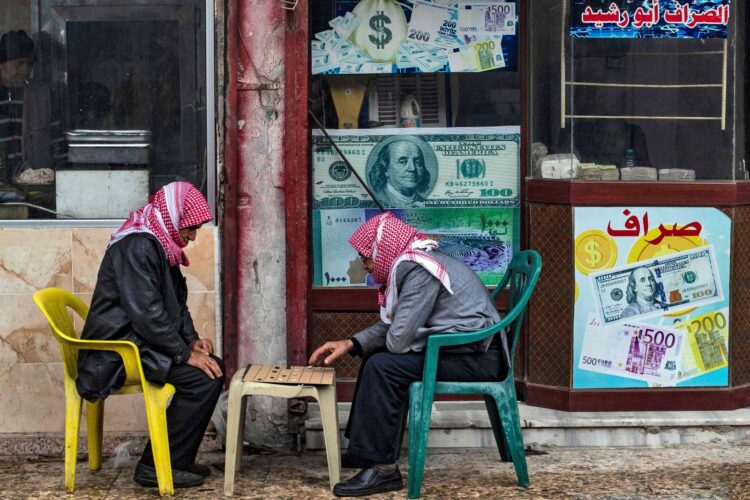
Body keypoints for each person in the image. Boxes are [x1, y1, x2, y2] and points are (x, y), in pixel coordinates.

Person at [309, 212, 505, 497]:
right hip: (462, 349)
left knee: (383, 366)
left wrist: (392, 336)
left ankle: (383, 469)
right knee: (375, 359)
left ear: (383, 250)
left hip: (477, 358)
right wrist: (351, 343)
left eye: (366, 257)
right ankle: (366, 451)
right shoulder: (413, 263)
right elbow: (397, 326)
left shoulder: (419, 270)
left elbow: (398, 341)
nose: (364, 265)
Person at [76, 181, 223, 489]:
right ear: (174, 217)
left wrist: (192, 340)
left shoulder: (158, 242)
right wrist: (184, 354)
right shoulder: (139, 246)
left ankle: (174, 460)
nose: (193, 236)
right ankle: (155, 466)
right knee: (202, 378)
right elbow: (147, 315)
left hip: (137, 343)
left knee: (212, 368)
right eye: (191, 227)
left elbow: (175, 304)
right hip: (114, 354)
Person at [0, 30, 62, 187]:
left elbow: (58, 145)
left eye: (29, 64)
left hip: (37, 188)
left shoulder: (43, 95)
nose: (25, 70)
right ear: (2, 64)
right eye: (19, 63)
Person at [366, 139, 432, 208]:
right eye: (403, 162)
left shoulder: (425, 203)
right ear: (386, 169)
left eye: (417, 162)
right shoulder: (376, 200)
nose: (412, 168)